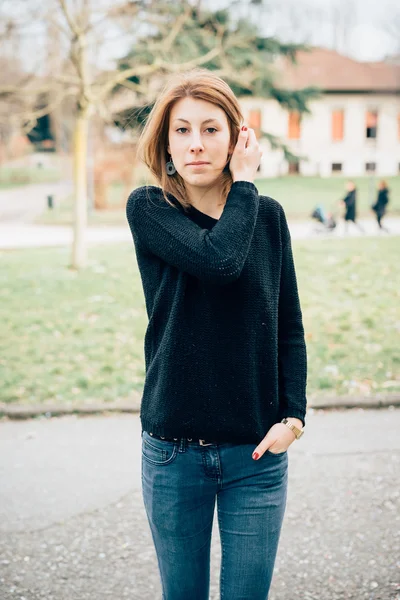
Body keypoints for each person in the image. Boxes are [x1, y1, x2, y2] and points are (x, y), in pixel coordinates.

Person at [126, 68, 307, 600]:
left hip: (256, 455)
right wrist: (245, 184)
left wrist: (294, 416)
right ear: (164, 141)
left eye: (211, 129)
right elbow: (219, 260)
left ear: (237, 137)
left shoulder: (267, 218)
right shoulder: (150, 208)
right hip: (173, 453)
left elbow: (288, 325)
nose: (196, 145)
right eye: (181, 130)